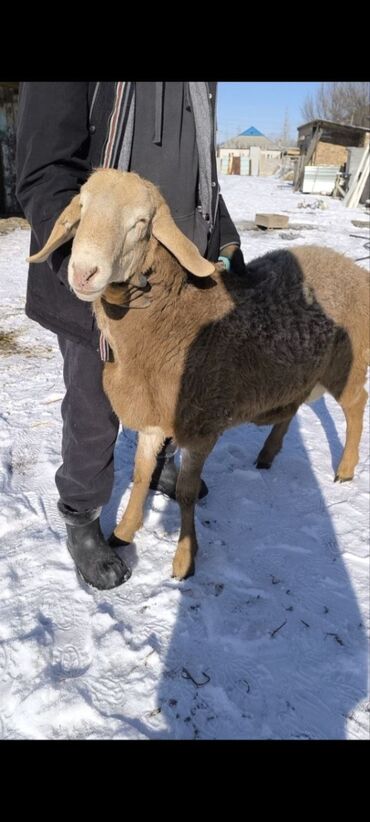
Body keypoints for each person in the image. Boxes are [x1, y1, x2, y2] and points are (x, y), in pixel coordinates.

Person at [16, 82, 245, 590]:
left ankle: (159, 461)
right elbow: (43, 167)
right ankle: (81, 512)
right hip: (107, 279)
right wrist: (82, 263)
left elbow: (205, 178)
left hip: (176, 285)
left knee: (169, 389)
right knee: (94, 409)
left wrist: (224, 238)